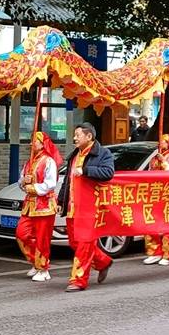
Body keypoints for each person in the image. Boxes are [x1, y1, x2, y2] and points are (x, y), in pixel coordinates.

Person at [57, 123, 115, 292]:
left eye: (77, 135)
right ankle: (103, 261)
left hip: (90, 207)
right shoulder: (74, 155)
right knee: (75, 242)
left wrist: (86, 170)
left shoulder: (103, 154)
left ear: (89, 137)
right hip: (73, 206)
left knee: (84, 244)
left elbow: (108, 173)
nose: (74, 138)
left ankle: (78, 280)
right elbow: (67, 181)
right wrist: (61, 201)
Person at [16, 131, 62, 282]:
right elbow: (20, 181)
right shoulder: (29, 162)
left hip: (44, 206)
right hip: (29, 206)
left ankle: (43, 268)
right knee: (21, 234)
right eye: (31, 140)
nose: (31, 143)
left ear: (43, 143)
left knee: (43, 238)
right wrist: (24, 181)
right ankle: (36, 262)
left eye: (35, 141)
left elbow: (50, 184)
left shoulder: (48, 161)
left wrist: (31, 187)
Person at [143, 134, 169, 266]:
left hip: (168, 194)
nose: (160, 143)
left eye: (163, 141)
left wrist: (164, 163)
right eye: (159, 141)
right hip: (154, 193)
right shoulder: (154, 158)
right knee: (149, 222)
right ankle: (154, 251)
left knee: (168, 225)